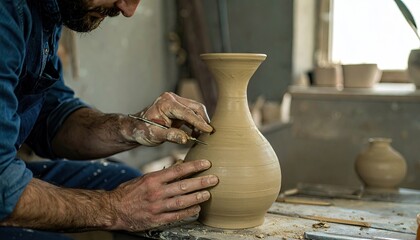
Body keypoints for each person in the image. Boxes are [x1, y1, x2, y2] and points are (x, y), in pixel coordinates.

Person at [0, 0, 219, 238]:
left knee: (130, 185)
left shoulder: (47, 11)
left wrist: (132, 128)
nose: (128, 10)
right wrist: (114, 208)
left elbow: (51, 117)